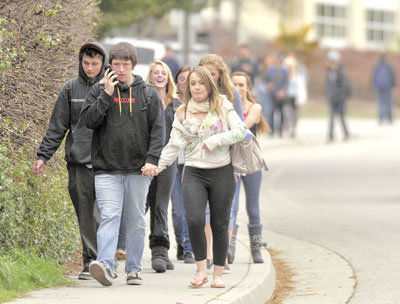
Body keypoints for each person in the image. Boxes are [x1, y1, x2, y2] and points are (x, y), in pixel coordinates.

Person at [80, 41, 165, 286]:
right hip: (106, 168)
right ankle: (106, 266)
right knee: (109, 216)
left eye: (125, 65)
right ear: (110, 66)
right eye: (115, 64)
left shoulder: (147, 92)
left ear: (133, 66)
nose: (120, 69)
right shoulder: (99, 90)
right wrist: (106, 95)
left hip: (139, 169)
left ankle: (134, 269)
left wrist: (152, 160)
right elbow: (88, 121)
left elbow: (158, 130)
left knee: (136, 219)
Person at [156, 66, 246, 288]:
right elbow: (174, 144)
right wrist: (157, 166)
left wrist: (216, 140)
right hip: (194, 172)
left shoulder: (223, 106)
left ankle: (217, 275)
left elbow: (240, 131)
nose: (196, 87)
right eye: (192, 83)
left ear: (210, 85)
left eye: (201, 83)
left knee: (219, 223)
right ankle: (201, 271)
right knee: (195, 220)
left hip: (222, 171)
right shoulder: (183, 111)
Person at [32, 42, 106, 280]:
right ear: (80, 62)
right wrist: (44, 155)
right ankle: (90, 260)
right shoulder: (70, 89)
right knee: (85, 213)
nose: (90, 68)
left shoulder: (113, 87)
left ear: (103, 63)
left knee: (105, 212)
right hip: (79, 160)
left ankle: (104, 258)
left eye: (95, 64)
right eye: (86, 63)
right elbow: (58, 126)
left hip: (107, 161)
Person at [198, 53, 245, 272]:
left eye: (213, 74)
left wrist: (236, 165)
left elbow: (241, 130)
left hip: (227, 160)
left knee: (227, 209)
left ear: (220, 75)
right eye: (205, 73)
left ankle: (223, 254)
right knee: (206, 209)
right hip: (202, 160)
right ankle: (209, 254)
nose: (209, 78)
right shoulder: (196, 93)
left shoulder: (231, 95)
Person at [145, 60, 184, 272]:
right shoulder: (143, 100)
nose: (160, 76)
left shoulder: (177, 104)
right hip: (147, 160)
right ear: (150, 77)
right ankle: (120, 247)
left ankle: (160, 251)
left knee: (160, 204)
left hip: (169, 162)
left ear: (168, 77)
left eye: (163, 73)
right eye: (155, 73)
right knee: (143, 204)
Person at [231, 71, 269, 263]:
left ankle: (256, 249)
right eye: (234, 85)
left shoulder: (255, 107)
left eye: (241, 85)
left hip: (251, 162)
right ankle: (229, 248)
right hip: (232, 162)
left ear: (248, 87)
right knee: (232, 205)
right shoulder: (226, 107)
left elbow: (241, 128)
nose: (237, 88)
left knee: (253, 207)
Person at [171, 65, 196, 263]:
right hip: (174, 162)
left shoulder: (199, 104)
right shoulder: (171, 103)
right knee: (178, 210)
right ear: (177, 80)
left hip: (192, 164)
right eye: (182, 78)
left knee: (189, 208)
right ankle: (181, 242)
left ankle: (189, 247)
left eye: (189, 79)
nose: (185, 82)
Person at [325, 50, 351, 142]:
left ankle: (346, 133)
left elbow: (344, 86)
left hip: (340, 99)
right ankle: (330, 135)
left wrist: (341, 97)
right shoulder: (329, 72)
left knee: (341, 117)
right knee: (331, 118)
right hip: (332, 99)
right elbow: (328, 86)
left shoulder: (340, 72)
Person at [372, 54, 396, 125]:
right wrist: (393, 85)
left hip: (379, 89)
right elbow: (392, 77)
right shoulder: (388, 67)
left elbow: (373, 78)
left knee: (380, 104)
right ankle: (390, 119)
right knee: (389, 104)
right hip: (388, 88)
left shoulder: (377, 67)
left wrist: (374, 86)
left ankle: (381, 119)